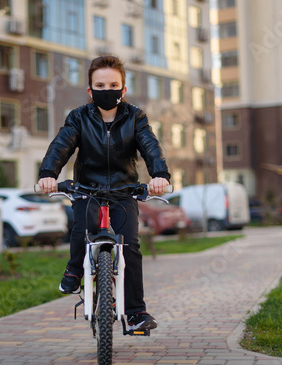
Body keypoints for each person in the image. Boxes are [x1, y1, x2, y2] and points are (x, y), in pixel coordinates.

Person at [37, 55, 170, 331]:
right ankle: (74, 269)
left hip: (124, 191)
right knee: (81, 229)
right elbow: (61, 145)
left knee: (130, 247)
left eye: (113, 85)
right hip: (88, 190)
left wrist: (160, 175)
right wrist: (49, 174)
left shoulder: (136, 117)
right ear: (90, 90)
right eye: (100, 85)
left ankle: (135, 313)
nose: (106, 90)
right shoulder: (78, 117)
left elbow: (150, 146)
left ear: (123, 89)